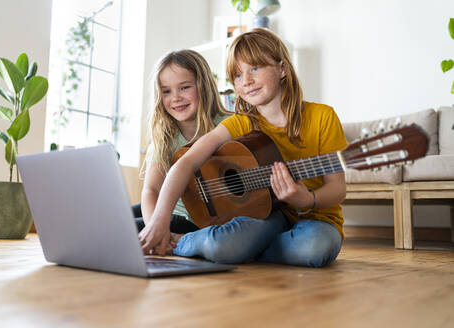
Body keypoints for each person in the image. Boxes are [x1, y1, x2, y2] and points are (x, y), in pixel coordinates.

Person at [139, 29, 348, 268]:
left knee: (314, 247)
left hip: (316, 219)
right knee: (221, 245)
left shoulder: (322, 117)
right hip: (266, 216)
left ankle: (238, 249)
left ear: (282, 68)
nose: (246, 80)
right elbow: (186, 162)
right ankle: (208, 245)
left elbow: (338, 189)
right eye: (237, 75)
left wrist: (306, 199)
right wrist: (159, 221)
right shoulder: (240, 124)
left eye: (255, 68)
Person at [136, 49, 231, 248]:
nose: (176, 98)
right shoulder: (165, 136)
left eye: (185, 87)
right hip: (167, 212)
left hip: (193, 220)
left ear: (203, 87)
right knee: (111, 221)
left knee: (124, 232)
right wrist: (155, 228)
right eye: (166, 91)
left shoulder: (229, 126)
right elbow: (151, 189)